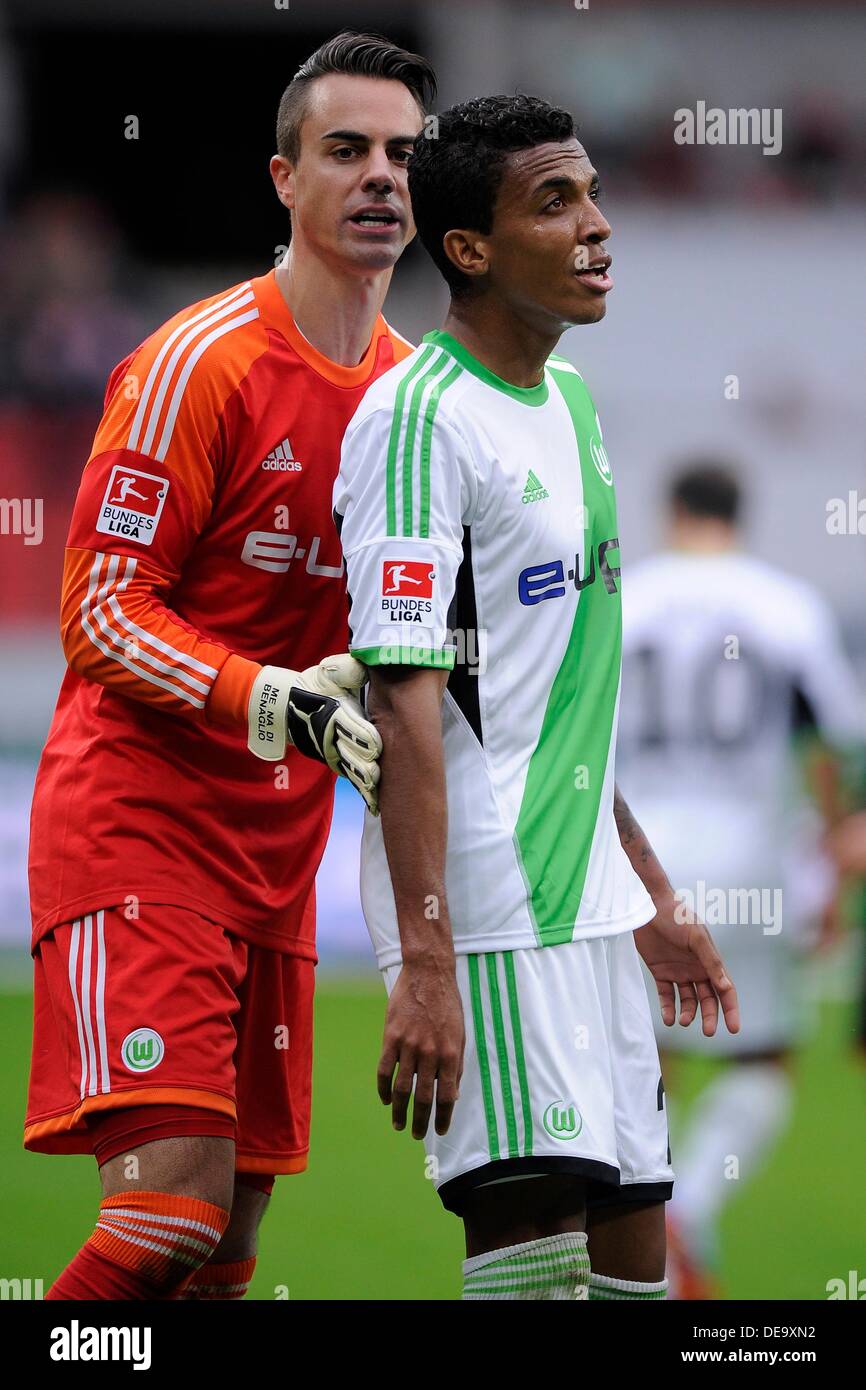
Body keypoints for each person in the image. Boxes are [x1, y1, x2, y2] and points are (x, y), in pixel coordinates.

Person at [25, 30, 436, 1301]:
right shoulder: (198, 363)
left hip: (275, 865)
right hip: (139, 831)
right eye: (346, 150)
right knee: (166, 1221)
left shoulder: (416, 402)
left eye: (402, 155)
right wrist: (270, 695)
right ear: (281, 179)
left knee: (228, 1254)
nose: (380, 177)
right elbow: (97, 608)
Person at [333, 94, 739, 1301]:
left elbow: (558, 693)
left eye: (593, 194)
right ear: (466, 248)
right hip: (493, 920)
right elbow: (407, 702)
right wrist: (421, 959)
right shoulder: (415, 423)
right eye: (554, 203)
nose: (596, 226)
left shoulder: (570, 405)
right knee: (535, 1286)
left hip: (594, 916)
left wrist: (650, 889)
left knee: (629, 1280)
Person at [616, 463, 865, 1296]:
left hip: (636, 860)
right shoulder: (785, 605)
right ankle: (687, 1212)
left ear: (672, 510)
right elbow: (838, 739)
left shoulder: (627, 597)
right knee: (762, 1058)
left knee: (643, 1056)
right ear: (740, 516)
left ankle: (644, 1230)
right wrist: (834, 855)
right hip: (753, 860)